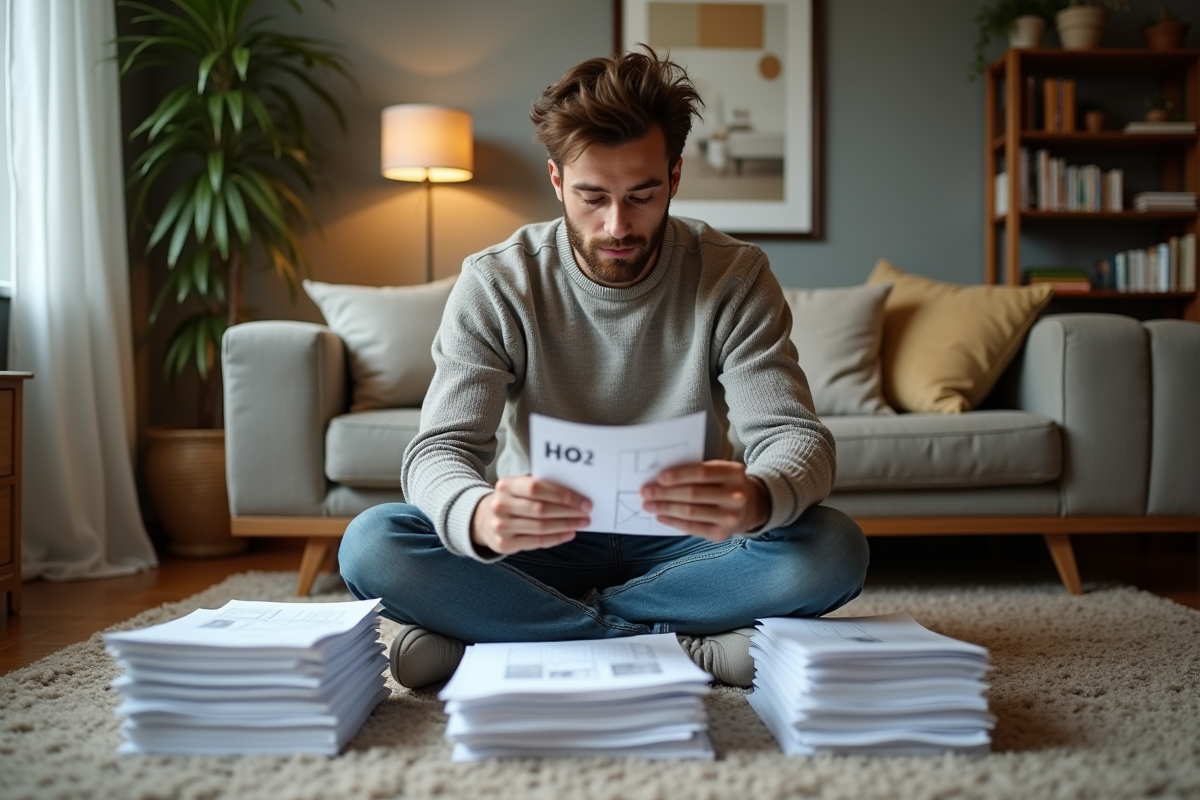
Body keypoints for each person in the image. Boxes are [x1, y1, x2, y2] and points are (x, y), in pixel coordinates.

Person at [339, 48, 868, 690]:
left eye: (642, 196)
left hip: (686, 545)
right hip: (538, 544)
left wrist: (757, 497)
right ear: (557, 181)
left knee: (834, 549)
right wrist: (478, 514)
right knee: (372, 543)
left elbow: (796, 438)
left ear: (674, 177)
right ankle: (685, 644)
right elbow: (440, 449)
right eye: (592, 197)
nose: (617, 225)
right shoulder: (498, 280)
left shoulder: (735, 275)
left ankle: (495, 634)